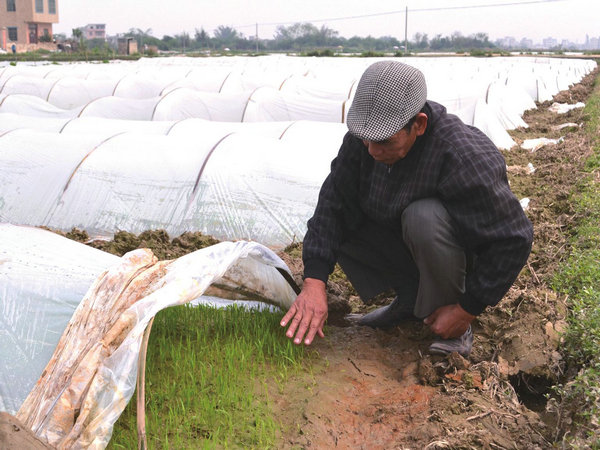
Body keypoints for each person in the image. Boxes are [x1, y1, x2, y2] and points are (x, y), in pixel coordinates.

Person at [280, 60, 533, 356]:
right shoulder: (363, 144)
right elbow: (332, 205)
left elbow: (513, 239)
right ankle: (411, 301)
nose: (373, 151)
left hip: (460, 258)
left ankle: (451, 319)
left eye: (385, 141)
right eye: (367, 140)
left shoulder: (461, 154)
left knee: (423, 217)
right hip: (404, 242)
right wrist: (314, 282)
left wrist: (468, 309)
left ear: (420, 124)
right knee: (345, 213)